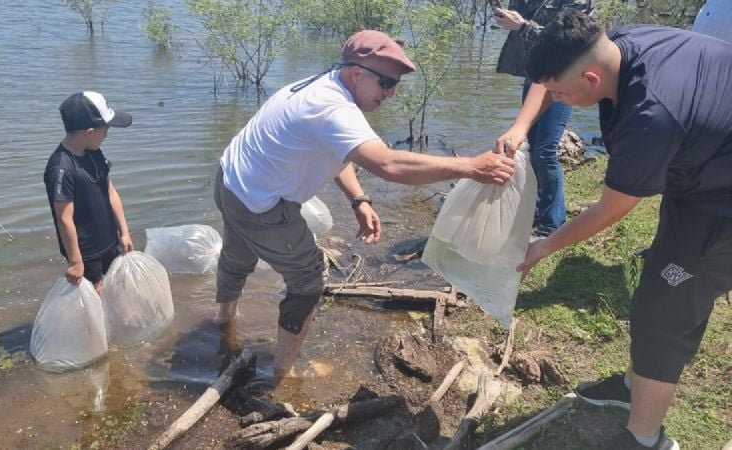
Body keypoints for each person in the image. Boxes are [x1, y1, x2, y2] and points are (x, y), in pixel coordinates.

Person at [214, 30, 516, 380]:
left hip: (230, 182)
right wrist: (471, 167)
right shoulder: (333, 108)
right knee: (309, 280)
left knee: (237, 256)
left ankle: (222, 319)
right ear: (357, 73)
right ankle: (282, 371)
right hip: (260, 205)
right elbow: (388, 165)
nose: (390, 93)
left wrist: (358, 200)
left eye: (396, 85)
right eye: (386, 82)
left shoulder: (321, 84)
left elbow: (338, 152)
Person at [497, 10, 732, 449]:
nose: (558, 100)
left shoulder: (651, 116)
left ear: (589, 78)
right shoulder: (613, 44)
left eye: (560, 93)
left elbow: (610, 209)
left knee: (666, 305)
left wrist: (542, 248)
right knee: (662, 275)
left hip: (722, 206)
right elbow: (549, 79)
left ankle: (646, 439)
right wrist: (521, 126)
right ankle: (634, 386)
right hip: (703, 167)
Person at [493, 0, 593, 237]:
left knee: (546, 150)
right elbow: (516, 19)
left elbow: (569, 42)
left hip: (562, 79)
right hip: (535, 78)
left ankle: (552, 223)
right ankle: (539, 208)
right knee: (534, 147)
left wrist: (524, 26)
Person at [44, 91, 134, 294]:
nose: (108, 135)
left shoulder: (94, 152)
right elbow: (64, 219)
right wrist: (76, 261)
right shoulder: (61, 168)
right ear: (90, 132)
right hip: (86, 251)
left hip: (110, 239)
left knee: (115, 285)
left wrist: (124, 232)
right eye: (106, 129)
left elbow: (110, 191)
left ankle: (112, 321)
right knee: (94, 291)